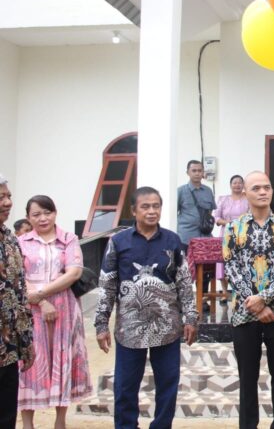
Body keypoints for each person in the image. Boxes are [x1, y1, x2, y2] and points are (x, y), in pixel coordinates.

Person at [95, 186, 198, 429]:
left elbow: (184, 282)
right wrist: (101, 324)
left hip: (167, 327)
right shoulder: (118, 242)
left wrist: (190, 318)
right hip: (130, 329)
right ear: (133, 210)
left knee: (168, 383)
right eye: (145, 206)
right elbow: (107, 284)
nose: (152, 211)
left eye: (156, 206)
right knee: (125, 386)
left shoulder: (173, 240)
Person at [17, 195, 92, 429]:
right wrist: (41, 301)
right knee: (29, 362)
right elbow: (17, 276)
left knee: (63, 358)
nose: (42, 218)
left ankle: (60, 422)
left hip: (64, 310)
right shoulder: (21, 243)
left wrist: (41, 294)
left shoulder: (68, 239)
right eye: (36, 214)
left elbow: (73, 273)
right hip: (30, 312)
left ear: (55, 213)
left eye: (47, 212)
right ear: (29, 218)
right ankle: (27, 423)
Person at [223, 171, 274, 429]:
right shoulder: (233, 227)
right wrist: (255, 302)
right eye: (257, 188)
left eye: (267, 187)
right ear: (245, 193)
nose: (263, 192)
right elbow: (231, 267)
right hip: (243, 311)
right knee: (247, 377)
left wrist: (265, 298)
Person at [0, 174, 35, 428]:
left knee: (6, 416)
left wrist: (26, 341)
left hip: (8, 348)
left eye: (8, 196)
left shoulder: (12, 241)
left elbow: (20, 295)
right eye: (1, 197)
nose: (7, 202)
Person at [177, 159, 216, 308]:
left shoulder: (208, 191)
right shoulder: (181, 191)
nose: (197, 173)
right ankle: (183, 302)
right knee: (184, 271)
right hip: (186, 237)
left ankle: (202, 300)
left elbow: (210, 211)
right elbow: (174, 211)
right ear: (188, 172)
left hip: (204, 237)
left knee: (205, 270)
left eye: (200, 170)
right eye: (194, 170)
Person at [214, 174, 249, 306]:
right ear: (230, 185)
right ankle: (224, 293)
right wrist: (227, 222)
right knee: (223, 263)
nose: (237, 185)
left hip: (242, 235)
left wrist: (240, 224)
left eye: (240, 182)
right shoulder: (223, 200)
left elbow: (252, 215)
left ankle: (239, 292)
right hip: (225, 234)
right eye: (234, 182)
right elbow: (216, 218)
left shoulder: (248, 199)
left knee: (240, 263)